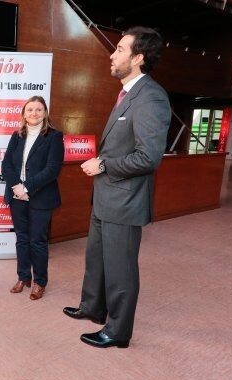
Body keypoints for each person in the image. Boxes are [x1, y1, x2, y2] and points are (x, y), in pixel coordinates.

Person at [63, 26, 171, 348]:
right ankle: (92, 307)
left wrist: (105, 164)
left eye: (120, 49)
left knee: (121, 271)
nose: (112, 54)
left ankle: (117, 332)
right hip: (106, 197)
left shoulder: (150, 96)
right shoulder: (127, 93)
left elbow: (149, 157)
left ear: (138, 58)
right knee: (96, 258)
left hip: (124, 202)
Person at [2, 96, 64, 300]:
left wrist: (26, 187)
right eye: (30, 110)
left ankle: (39, 282)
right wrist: (16, 187)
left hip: (41, 196)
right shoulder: (17, 135)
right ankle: (23, 277)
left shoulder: (54, 137)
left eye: (38, 110)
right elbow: (6, 165)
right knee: (22, 238)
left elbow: (52, 169)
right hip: (16, 194)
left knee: (38, 240)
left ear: (45, 113)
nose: (34, 113)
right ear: (24, 113)